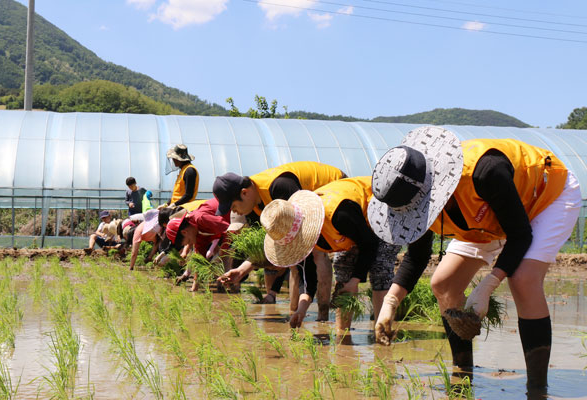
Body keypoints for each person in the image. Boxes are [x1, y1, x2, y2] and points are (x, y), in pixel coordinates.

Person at [368, 126, 581, 394]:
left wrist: (487, 286)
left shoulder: (485, 171)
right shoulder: (412, 203)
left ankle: (537, 389)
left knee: (523, 279)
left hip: (545, 196)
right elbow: (418, 255)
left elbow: (519, 236)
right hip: (488, 219)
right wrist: (390, 302)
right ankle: (463, 376)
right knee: (443, 283)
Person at [261, 177, 400, 331]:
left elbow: (369, 244)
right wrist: (301, 310)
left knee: (380, 268)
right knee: (342, 269)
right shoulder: (298, 235)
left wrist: (355, 280)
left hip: (383, 210)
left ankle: (381, 333)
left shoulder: (338, 215)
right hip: (353, 228)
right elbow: (308, 278)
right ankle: (343, 335)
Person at [214, 161, 346, 318]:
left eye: (233, 206)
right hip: (309, 196)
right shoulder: (252, 209)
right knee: (292, 260)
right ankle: (295, 313)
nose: (234, 211)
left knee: (317, 251)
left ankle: (322, 316)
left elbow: (303, 240)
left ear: (244, 193)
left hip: (332, 187)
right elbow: (273, 244)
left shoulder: (280, 187)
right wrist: (241, 271)